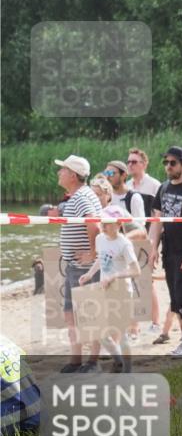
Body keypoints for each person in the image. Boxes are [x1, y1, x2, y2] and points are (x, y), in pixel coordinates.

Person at [54, 155, 103, 373]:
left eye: (62, 170)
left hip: (83, 267)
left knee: (88, 315)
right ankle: (76, 360)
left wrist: (92, 254)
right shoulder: (79, 195)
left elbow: (94, 225)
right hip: (76, 266)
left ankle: (91, 362)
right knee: (71, 314)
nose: (59, 173)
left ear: (73, 176)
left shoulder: (82, 197)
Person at [148, 146, 182, 356]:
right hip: (169, 249)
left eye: (173, 163)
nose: (168, 166)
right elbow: (157, 220)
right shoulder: (163, 188)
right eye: (166, 163)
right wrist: (153, 248)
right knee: (175, 296)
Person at [78, 207, 141, 373]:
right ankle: (118, 359)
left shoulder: (124, 244)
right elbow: (101, 259)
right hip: (104, 289)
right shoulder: (100, 238)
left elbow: (136, 271)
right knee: (99, 332)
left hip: (121, 291)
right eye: (102, 222)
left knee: (121, 333)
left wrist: (114, 276)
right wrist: (89, 274)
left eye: (107, 223)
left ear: (119, 224)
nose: (103, 226)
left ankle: (128, 371)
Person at [126, 149, 160, 214]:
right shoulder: (127, 185)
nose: (130, 165)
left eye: (134, 162)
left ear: (144, 165)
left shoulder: (155, 185)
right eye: (128, 162)